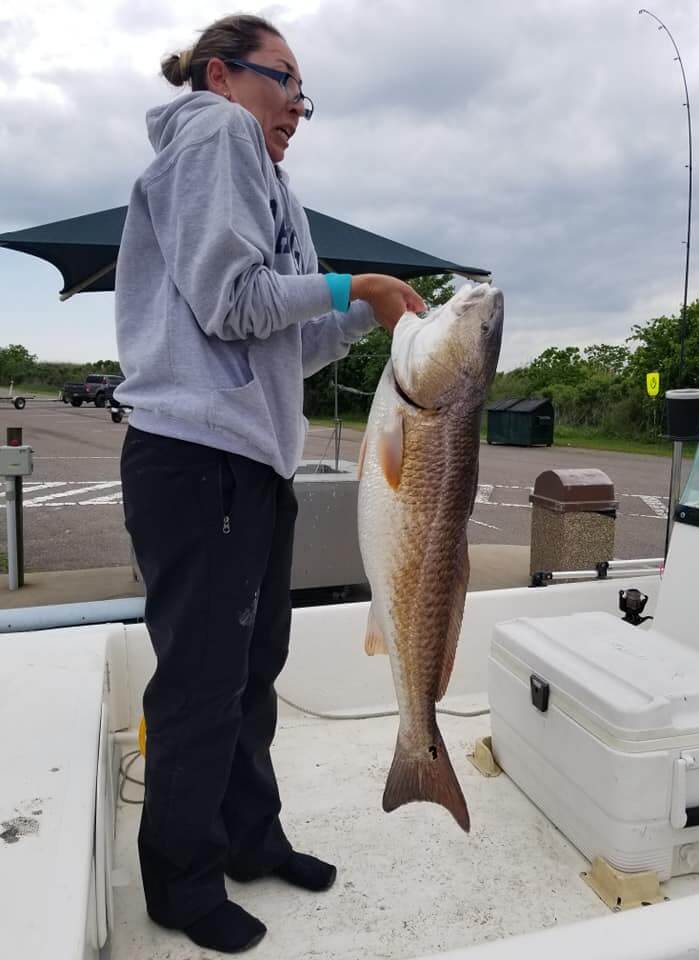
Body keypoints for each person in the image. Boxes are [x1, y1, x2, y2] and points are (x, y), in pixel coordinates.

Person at [113, 12, 425, 955]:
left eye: (303, 93)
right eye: (281, 80)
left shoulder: (274, 181)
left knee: (252, 673)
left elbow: (288, 336)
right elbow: (232, 300)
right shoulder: (215, 133)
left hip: (250, 461)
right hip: (195, 454)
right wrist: (350, 285)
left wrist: (380, 316)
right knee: (204, 682)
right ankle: (180, 879)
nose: (295, 105)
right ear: (221, 74)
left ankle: (249, 838)